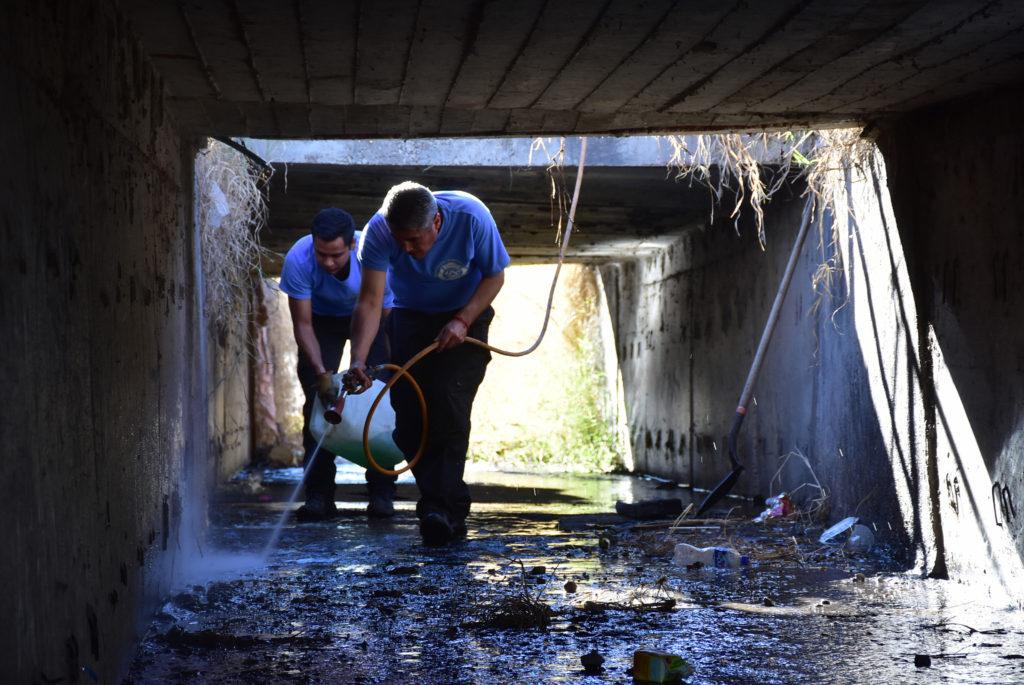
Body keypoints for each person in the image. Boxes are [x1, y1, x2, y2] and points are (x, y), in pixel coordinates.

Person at [345, 182, 510, 546]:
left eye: (413, 240)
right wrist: (358, 358)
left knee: (448, 403)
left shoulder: (471, 217)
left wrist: (463, 319)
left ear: (436, 222)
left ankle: (439, 510)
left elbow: (495, 275)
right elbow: (371, 301)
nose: (405, 248)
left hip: (467, 317)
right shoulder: (377, 233)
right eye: (399, 239)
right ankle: (446, 505)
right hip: (410, 317)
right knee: (409, 421)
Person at [279, 207, 397, 522]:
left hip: (368, 316)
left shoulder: (372, 254)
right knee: (318, 406)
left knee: (381, 402)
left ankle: (382, 493)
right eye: (322, 254)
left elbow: (384, 316)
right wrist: (321, 375)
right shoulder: (298, 259)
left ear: (353, 245)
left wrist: (382, 365)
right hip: (321, 321)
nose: (328, 262)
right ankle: (319, 496)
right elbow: (303, 324)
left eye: (336, 255)